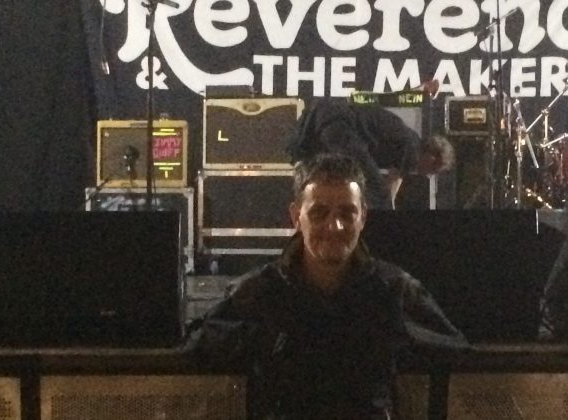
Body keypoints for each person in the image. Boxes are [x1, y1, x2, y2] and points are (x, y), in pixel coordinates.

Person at [184, 153, 467, 419]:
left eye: (347, 213)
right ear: (296, 216)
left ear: (363, 217)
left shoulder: (394, 291)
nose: (335, 227)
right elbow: (199, 348)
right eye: (319, 213)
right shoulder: (260, 292)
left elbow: (454, 351)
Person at [286, 89, 455, 210]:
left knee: (313, 170)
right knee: (378, 192)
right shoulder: (413, 150)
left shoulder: (407, 136)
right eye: (433, 170)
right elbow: (391, 185)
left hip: (321, 116)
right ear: (432, 157)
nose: (427, 174)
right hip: (341, 126)